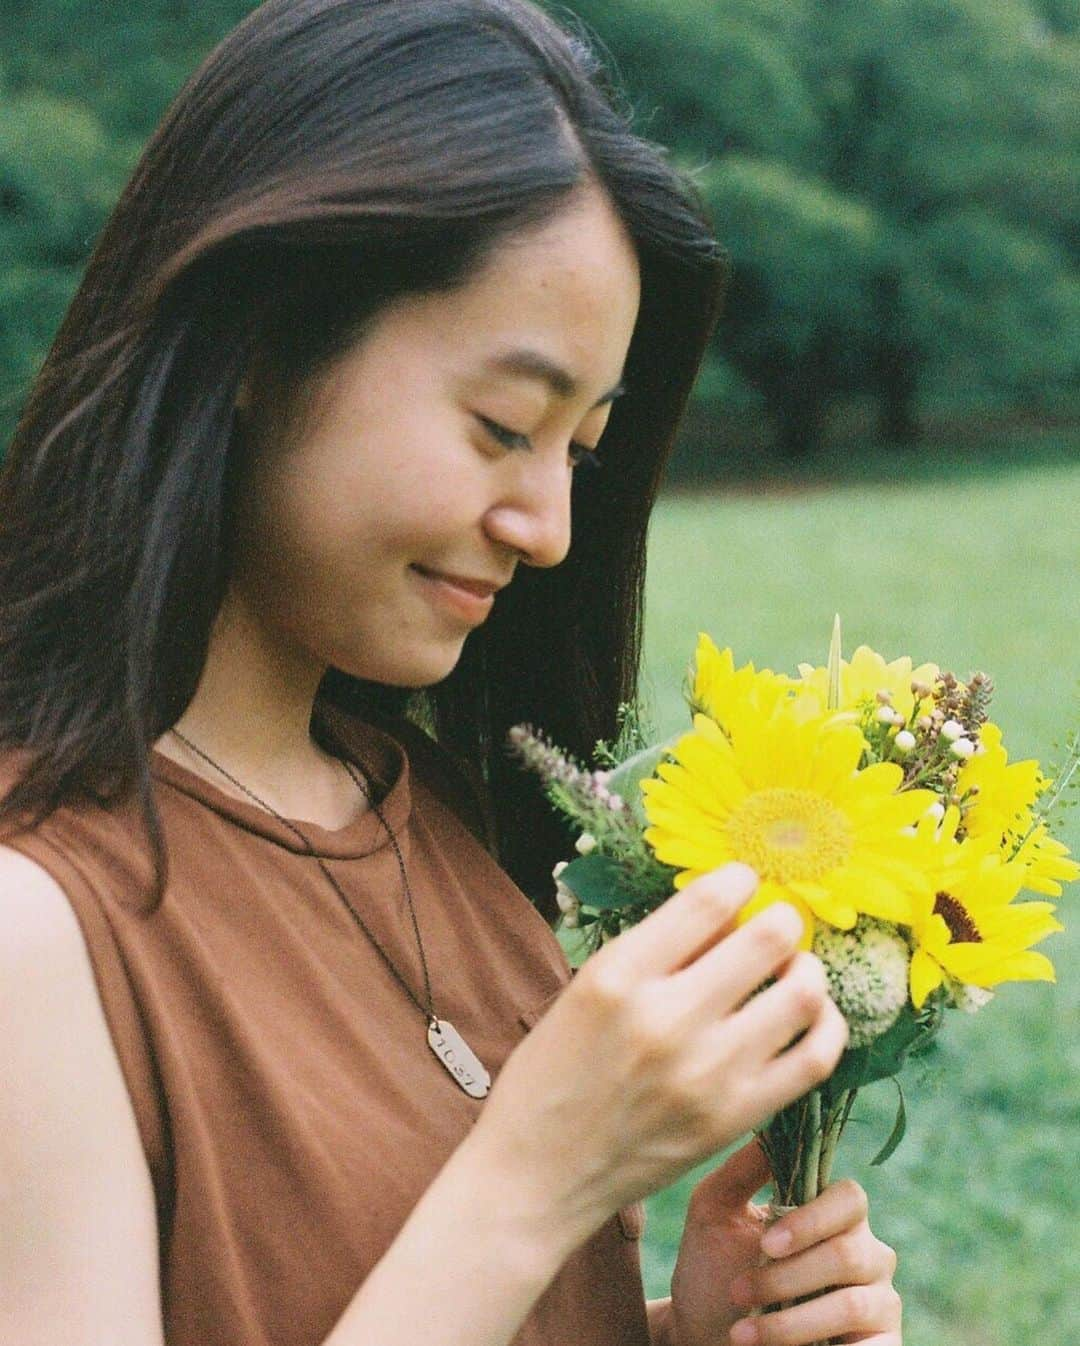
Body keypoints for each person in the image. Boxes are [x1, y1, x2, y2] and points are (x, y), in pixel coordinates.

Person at [0, 2, 903, 1344]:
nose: (548, 528)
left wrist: (678, 1334)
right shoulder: (38, 921)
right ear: (260, 338)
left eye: (581, 453)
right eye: (502, 426)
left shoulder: (424, 804)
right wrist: (537, 1175)